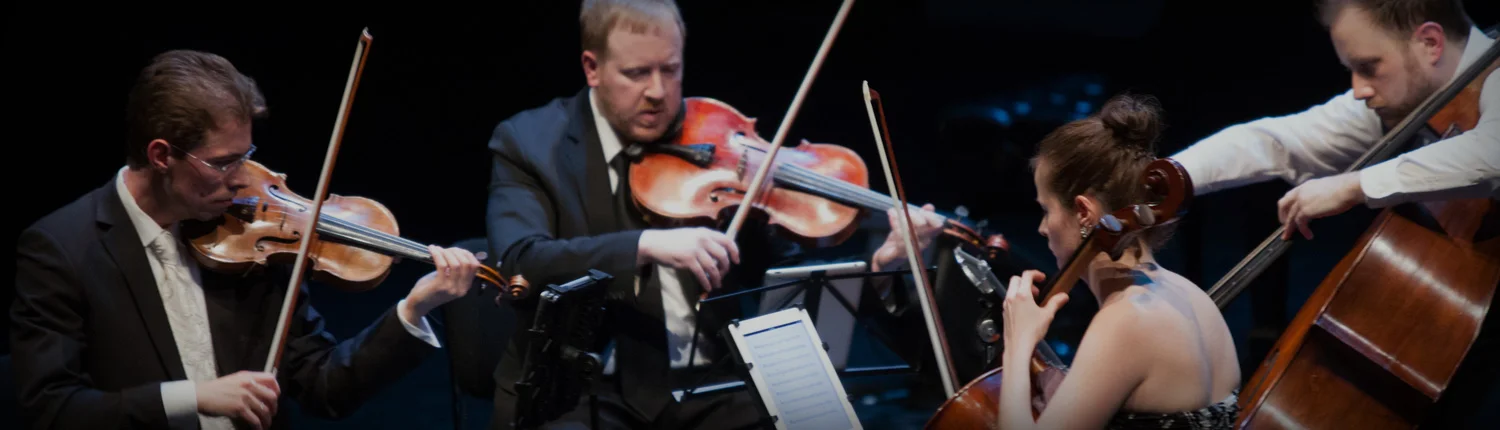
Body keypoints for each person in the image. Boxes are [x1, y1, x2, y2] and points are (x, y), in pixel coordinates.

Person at [483, 0, 944, 428]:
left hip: (709, 386)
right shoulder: (529, 143)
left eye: (671, 69)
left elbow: (789, 284)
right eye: (637, 73)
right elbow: (521, 260)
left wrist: (883, 270)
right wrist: (646, 244)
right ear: (592, 68)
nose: (658, 92)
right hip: (580, 390)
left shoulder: (717, 137)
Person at [11, 49, 484, 430]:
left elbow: (322, 388)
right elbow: (51, 409)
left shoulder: (251, 247)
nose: (241, 181)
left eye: (247, 155)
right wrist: (194, 398)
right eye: (222, 163)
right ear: (160, 155)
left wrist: (413, 309)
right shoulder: (62, 249)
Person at [998, 94, 1242, 429]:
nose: (1042, 228)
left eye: (1046, 210)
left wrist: (1018, 344)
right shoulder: (1194, 297)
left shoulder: (1126, 320)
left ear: (1084, 213)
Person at [1172, 0, 1497, 240]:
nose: (1358, 90)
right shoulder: (1394, 103)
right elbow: (1273, 143)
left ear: (1430, 44)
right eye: (1351, 70)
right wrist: (1166, 179)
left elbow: (1490, 155)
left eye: (1369, 67)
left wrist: (1355, 185)